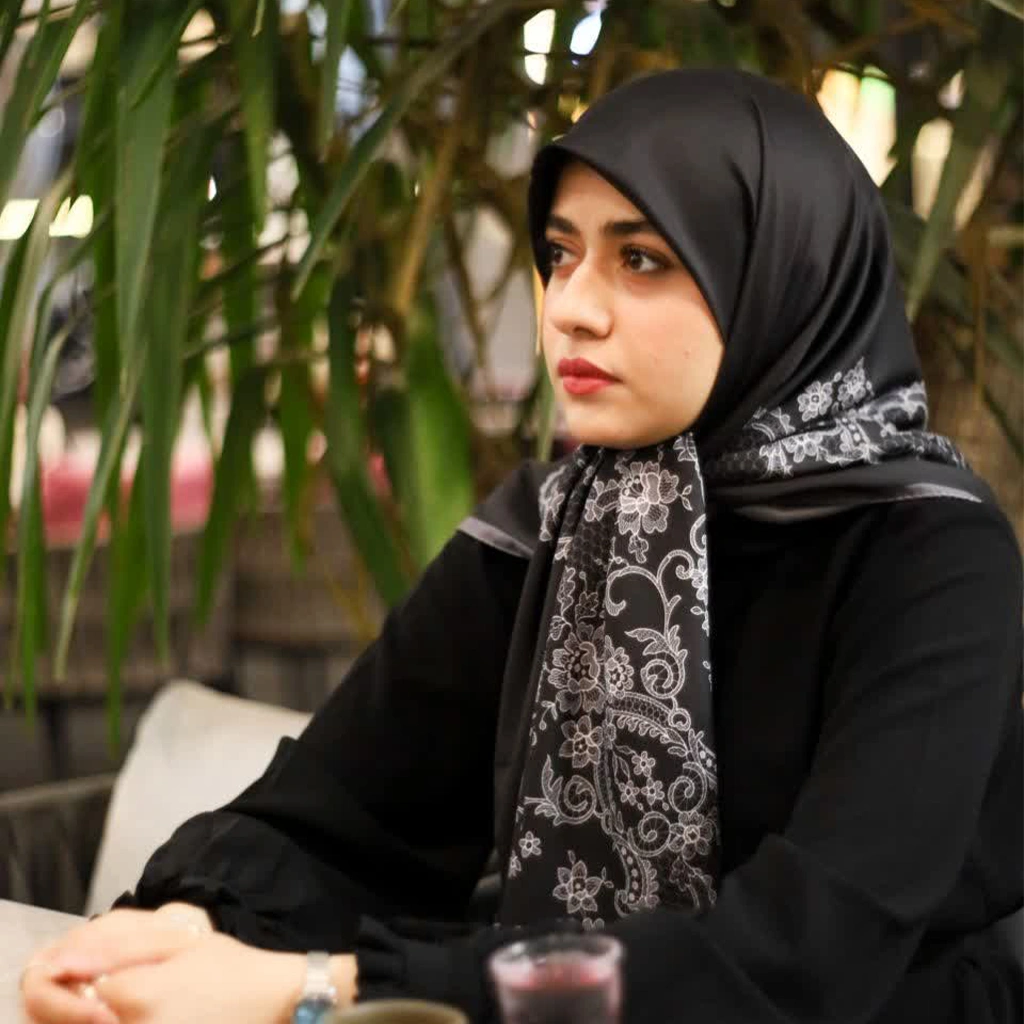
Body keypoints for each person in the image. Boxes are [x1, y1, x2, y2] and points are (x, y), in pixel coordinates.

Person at [22, 67, 1022, 1024]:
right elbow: (334, 815)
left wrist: (322, 985)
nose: (570, 307)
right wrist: (180, 928)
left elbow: (805, 955)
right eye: (559, 253)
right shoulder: (551, 525)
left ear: (780, 276)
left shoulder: (929, 553)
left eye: (641, 258)